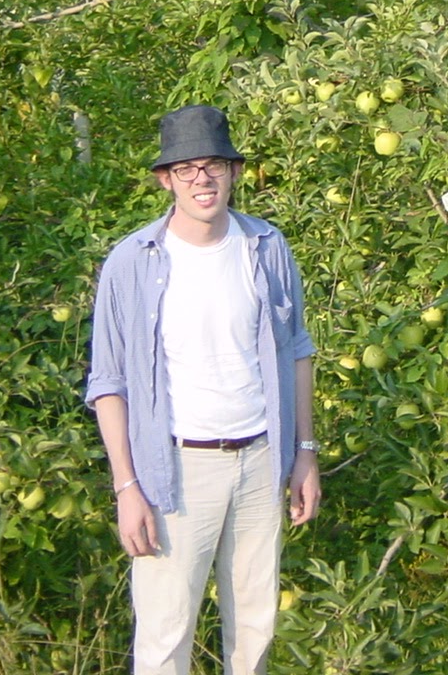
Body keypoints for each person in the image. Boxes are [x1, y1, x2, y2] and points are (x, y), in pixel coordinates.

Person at [86, 104, 321, 675]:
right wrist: (127, 487)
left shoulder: (266, 246)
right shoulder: (132, 262)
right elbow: (109, 382)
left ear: (234, 172)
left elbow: (296, 351)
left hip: (262, 461)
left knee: (255, 631)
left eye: (214, 165)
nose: (202, 180)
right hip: (176, 472)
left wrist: (305, 453)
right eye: (187, 169)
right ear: (165, 180)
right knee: (166, 638)